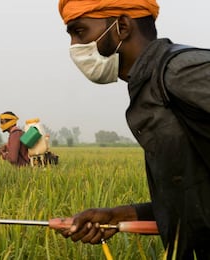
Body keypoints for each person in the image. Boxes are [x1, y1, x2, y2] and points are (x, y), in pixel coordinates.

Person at [54, 0, 210, 259]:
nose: (74, 47)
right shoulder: (150, 87)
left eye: (80, 32)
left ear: (122, 26)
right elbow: (195, 198)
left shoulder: (179, 72)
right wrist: (117, 216)